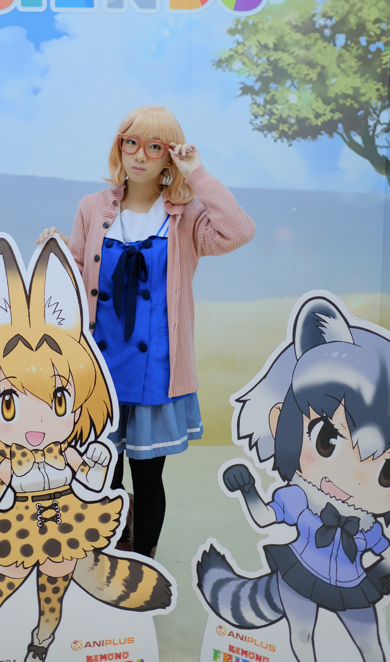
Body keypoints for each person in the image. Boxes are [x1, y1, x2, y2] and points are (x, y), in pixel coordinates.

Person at [0, 237, 172, 662]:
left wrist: (99, 462)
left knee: (51, 603)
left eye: (59, 400)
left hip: (66, 528)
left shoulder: (66, 451)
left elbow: (95, 485)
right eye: (9, 404)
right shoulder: (9, 460)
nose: (38, 422)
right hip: (18, 532)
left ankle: (40, 649)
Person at [38, 105, 255, 558]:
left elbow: (238, 231)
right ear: (119, 146)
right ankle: (110, 552)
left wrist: (198, 175)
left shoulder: (186, 215)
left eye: (155, 147)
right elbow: (75, 278)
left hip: (156, 368)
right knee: (102, 471)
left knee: (148, 474)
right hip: (99, 365)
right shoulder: (92, 207)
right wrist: (54, 252)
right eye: (131, 143)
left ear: (169, 155)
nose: (140, 155)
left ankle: (143, 561)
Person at [197, 294, 390, 662]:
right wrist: (249, 489)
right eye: (327, 440)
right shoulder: (300, 498)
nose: (353, 477)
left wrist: (377, 576)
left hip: (354, 586)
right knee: (302, 638)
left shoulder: (366, 522)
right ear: (281, 422)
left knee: (372, 647)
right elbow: (264, 519)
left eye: (389, 470)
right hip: (299, 575)